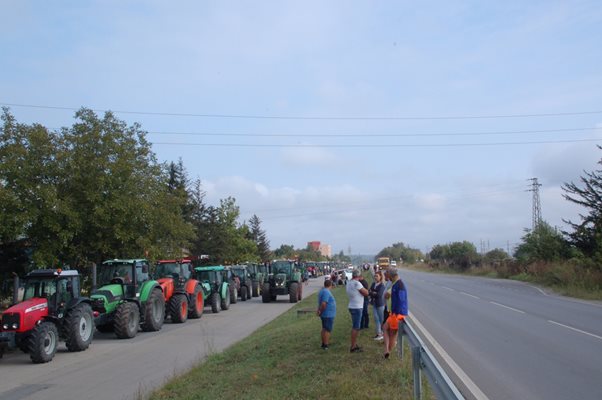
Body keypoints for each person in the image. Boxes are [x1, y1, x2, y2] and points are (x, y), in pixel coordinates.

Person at [383, 269, 408, 359]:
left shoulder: (399, 285)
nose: (388, 278)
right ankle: (387, 351)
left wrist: (397, 314)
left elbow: (401, 300)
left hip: (397, 314)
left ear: (392, 276)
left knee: (392, 335)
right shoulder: (395, 284)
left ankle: (388, 352)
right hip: (394, 313)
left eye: (388, 276)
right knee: (385, 328)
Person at [346, 269, 369, 353]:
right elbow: (366, 293)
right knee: (356, 327)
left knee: (355, 326)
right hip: (357, 307)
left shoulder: (349, 283)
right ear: (359, 276)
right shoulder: (357, 283)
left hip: (352, 305)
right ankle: (353, 346)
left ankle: (354, 344)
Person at [317, 278, 336, 350]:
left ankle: (324, 343)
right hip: (328, 314)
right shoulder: (326, 292)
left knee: (324, 328)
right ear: (330, 285)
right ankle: (326, 344)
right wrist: (321, 311)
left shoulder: (322, 291)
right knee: (327, 329)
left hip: (326, 314)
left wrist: (319, 310)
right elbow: (324, 303)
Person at [369, 271, 386, 340]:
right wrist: (373, 293)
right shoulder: (373, 284)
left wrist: (372, 292)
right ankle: (379, 333)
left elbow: (379, 295)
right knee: (376, 319)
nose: (375, 277)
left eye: (377, 276)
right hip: (374, 304)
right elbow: (369, 291)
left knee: (381, 320)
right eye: (375, 276)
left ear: (381, 277)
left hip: (380, 304)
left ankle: (384, 334)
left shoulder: (382, 285)